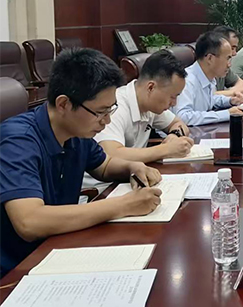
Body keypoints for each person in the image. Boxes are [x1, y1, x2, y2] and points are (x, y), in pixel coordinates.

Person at [0, 48, 162, 276]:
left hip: (60, 247)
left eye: (110, 110)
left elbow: (104, 166)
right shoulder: (18, 140)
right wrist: (124, 205)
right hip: (16, 271)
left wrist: (132, 167)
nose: (107, 121)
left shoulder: (76, 131)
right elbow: (30, 222)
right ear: (64, 104)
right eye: (100, 112)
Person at [94, 50, 195, 162]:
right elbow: (110, 154)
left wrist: (174, 135)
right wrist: (166, 149)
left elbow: (178, 123)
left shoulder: (150, 105)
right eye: (172, 97)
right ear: (151, 87)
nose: (174, 103)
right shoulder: (116, 106)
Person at [172, 31, 243, 126]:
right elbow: (183, 117)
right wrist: (226, 114)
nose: (229, 65)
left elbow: (209, 100)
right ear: (210, 58)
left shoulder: (208, 77)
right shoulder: (187, 81)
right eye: (227, 58)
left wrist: (230, 101)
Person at [211, 26, 243, 96]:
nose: (235, 53)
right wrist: (240, 89)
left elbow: (240, 82)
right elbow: (208, 96)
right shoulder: (203, 69)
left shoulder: (224, 66)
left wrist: (232, 91)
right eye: (232, 48)